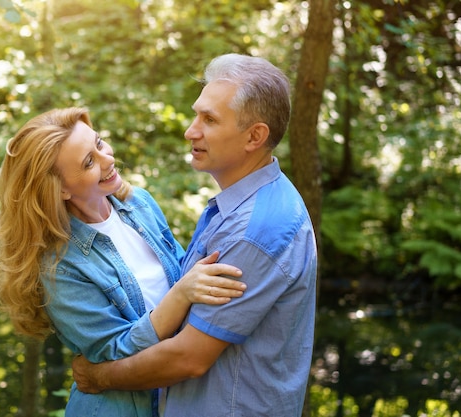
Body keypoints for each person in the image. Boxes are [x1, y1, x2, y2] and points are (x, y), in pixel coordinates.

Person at [72, 53, 318, 417]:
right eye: (196, 114)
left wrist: (98, 377)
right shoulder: (238, 204)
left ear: (255, 136)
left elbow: (188, 357)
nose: (191, 130)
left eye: (210, 119)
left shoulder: (255, 230)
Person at [0, 107, 247, 417]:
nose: (108, 159)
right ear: (60, 189)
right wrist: (181, 295)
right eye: (89, 162)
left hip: (180, 401)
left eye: (98, 143)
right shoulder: (58, 266)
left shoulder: (139, 204)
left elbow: (184, 274)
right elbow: (113, 354)